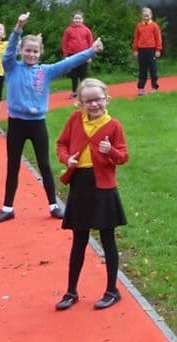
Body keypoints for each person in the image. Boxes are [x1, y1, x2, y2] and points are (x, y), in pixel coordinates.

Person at [0, 12, 103, 224]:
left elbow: (69, 62)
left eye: (35, 51)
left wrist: (91, 50)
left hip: (37, 124)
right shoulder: (12, 67)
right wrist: (18, 27)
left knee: (44, 163)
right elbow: (7, 53)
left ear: (40, 53)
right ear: (21, 51)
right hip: (16, 124)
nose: (31, 55)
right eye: (28, 51)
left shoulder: (46, 71)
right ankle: (7, 207)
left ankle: (53, 205)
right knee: (13, 165)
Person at [53, 79, 129, 311]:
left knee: (108, 239)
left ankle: (111, 290)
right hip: (81, 185)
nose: (94, 104)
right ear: (80, 103)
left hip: (103, 187)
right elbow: (61, 144)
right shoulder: (75, 120)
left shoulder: (114, 125)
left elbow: (124, 156)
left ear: (107, 98)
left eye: (98, 99)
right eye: (88, 101)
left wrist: (111, 151)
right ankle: (71, 291)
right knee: (79, 240)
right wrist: (68, 159)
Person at [61, 11, 95, 98]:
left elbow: (90, 43)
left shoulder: (87, 30)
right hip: (72, 55)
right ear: (72, 19)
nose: (77, 20)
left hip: (84, 55)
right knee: (74, 74)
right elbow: (65, 43)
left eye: (79, 18)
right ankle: (74, 91)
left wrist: (90, 55)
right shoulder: (68, 30)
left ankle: (84, 92)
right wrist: (65, 56)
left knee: (83, 74)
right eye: (76, 18)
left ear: (82, 20)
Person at [132, 7, 163, 96]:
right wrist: (136, 50)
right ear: (142, 16)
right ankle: (141, 88)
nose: (146, 18)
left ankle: (154, 87)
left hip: (151, 49)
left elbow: (158, 38)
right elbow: (136, 38)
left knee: (153, 69)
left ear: (151, 15)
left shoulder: (154, 26)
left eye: (148, 16)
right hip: (141, 50)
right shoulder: (139, 26)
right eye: (144, 16)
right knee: (142, 69)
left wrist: (158, 49)